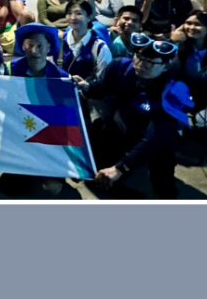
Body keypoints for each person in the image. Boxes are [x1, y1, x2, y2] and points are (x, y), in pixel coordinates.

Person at [73, 32, 192, 198]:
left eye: (151, 62)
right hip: (122, 127)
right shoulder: (120, 66)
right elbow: (101, 88)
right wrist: (87, 87)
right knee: (95, 174)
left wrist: (121, 167)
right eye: (139, 57)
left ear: (166, 66)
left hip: (154, 138)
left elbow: (153, 138)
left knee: (162, 171)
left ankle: (164, 189)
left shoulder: (174, 91)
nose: (142, 64)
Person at [170, 11, 207, 137]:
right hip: (177, 94)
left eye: (197, 24)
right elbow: (169, 72)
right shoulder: (177, 47)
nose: (191, 27)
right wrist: (173, 42)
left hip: (203, 97)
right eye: (188, 23)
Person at [62, 0, 112, 80]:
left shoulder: (100, 48)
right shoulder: (59, 42)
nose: (73, 17)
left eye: (78, 13)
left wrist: (88, 85)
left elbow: (104, 81)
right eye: (69, 13)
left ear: (89, 17)